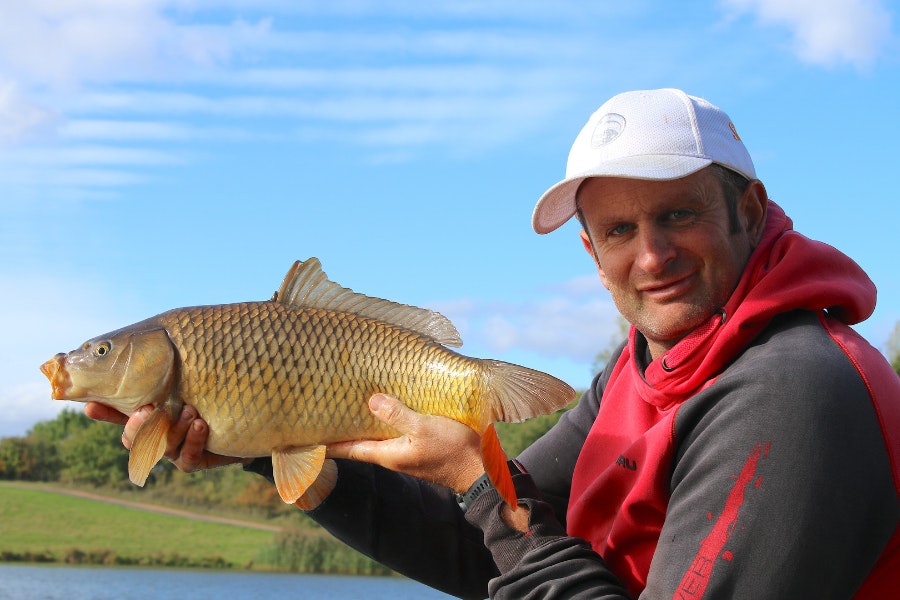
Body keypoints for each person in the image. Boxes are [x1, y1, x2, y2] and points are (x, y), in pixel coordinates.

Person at [86, 88, 900, 599]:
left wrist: (480, 486)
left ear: (750, 211)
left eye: (679, 214)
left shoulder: (794, 393)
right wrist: (276, 447)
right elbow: (476, 542)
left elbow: (494, 517)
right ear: (590, 252)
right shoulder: (643, 368)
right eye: (619, 228)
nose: (650, 256)